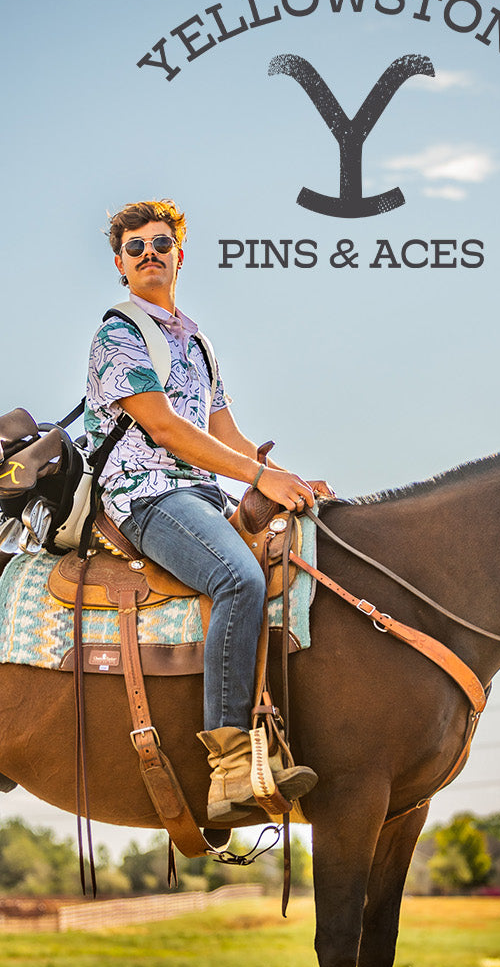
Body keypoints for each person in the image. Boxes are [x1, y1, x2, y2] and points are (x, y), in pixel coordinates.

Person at [85, 199, 329, 824]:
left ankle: (273, 736)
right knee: (238, 579)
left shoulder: (197, 342)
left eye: (160, 244)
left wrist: (288, 479)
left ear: (179, 255)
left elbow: (225, 431)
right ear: (120, 264)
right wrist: (257, 475)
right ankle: (228, 768)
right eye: (135, 247)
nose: (149, 254)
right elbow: (165, 429)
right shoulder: (118, 334)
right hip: (143, 494)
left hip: (200, 495)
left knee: (297, 554)